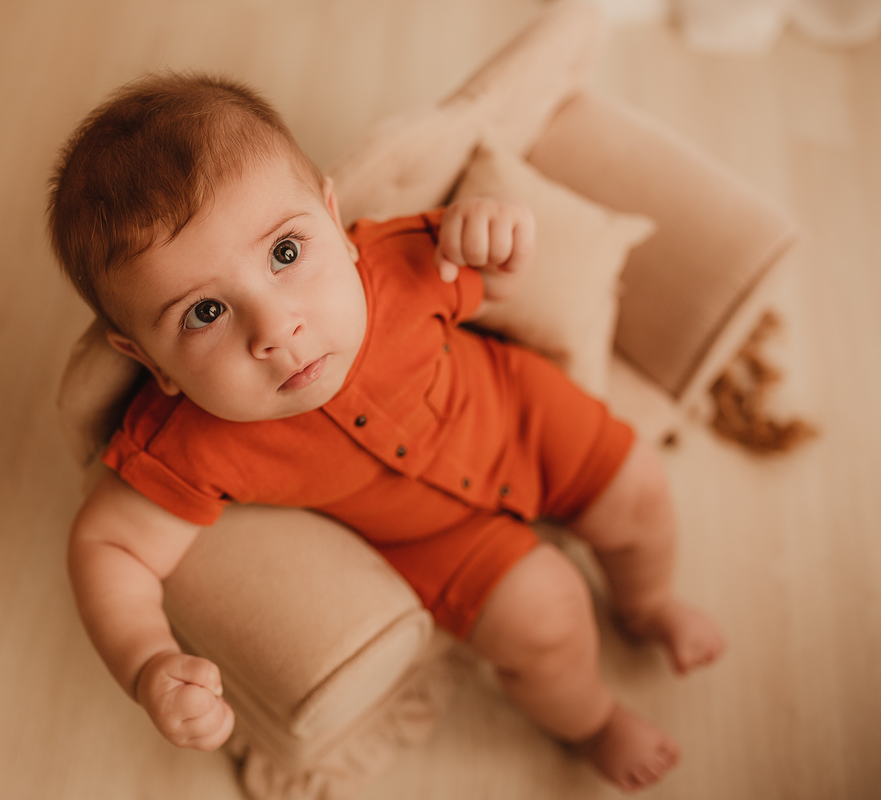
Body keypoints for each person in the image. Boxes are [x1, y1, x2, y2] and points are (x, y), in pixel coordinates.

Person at [47, 71, 726, 792]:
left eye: (284, 254)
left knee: (641, 490)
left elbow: (495, 290)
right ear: (150, 360)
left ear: (336, 226)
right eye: (204, 314)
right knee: (546, 619)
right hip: (433, 538)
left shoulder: (401, 263)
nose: (277, 329)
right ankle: (591, 721)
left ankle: (646, 602)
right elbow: (109, 547)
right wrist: (148, 663)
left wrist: (499, 238)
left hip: (521, 414)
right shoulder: (192, 442)